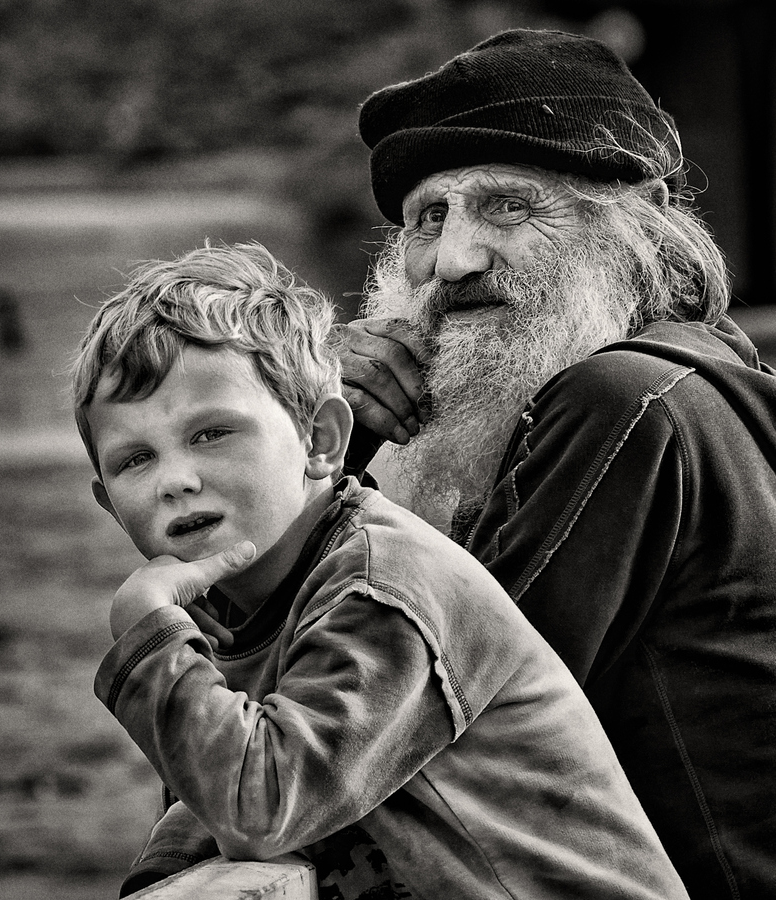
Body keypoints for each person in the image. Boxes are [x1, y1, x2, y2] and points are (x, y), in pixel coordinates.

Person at [71, 241, 688, 900]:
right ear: (109, 502)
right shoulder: (236, 600)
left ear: (321, 441)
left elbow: (261, 811)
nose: (177, 481)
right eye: (135, 459)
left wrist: (149, 642)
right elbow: (207, 790)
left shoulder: (381, 586)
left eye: (211, 434)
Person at [335, 27, 776, 900]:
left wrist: (311, 463)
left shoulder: (628, 403)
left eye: (507, 205)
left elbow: (393, 743)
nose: (453, 261)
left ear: (634, 228)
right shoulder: (690, 377)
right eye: (430, 217)